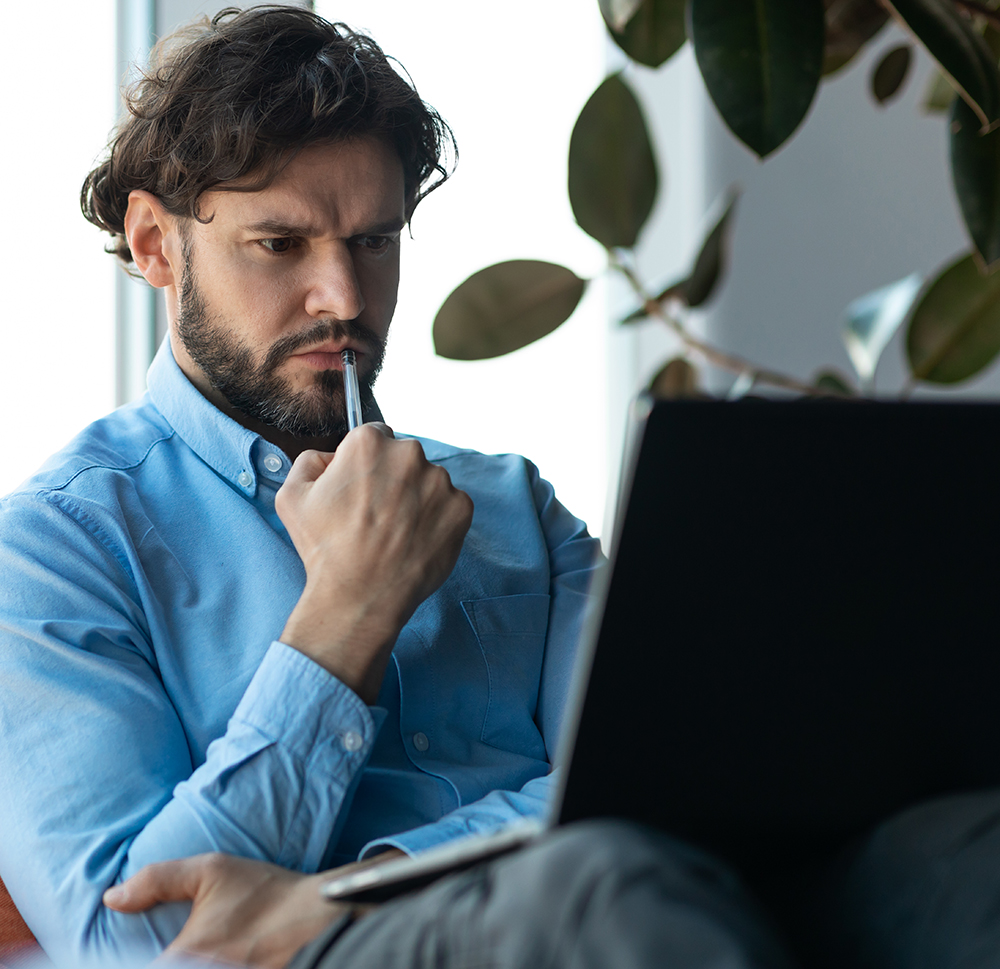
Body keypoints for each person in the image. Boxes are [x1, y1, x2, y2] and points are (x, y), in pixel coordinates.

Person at [0, 6, 600, 966]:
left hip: (594, 910)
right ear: (155, 244)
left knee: (928, 853)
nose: (346, 300)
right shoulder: (50, 553)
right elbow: (137, 943)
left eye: (374, 241)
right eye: (280, 245)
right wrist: (350, 613)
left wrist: (345, 893)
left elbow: (658, 787)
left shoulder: (515, 505)